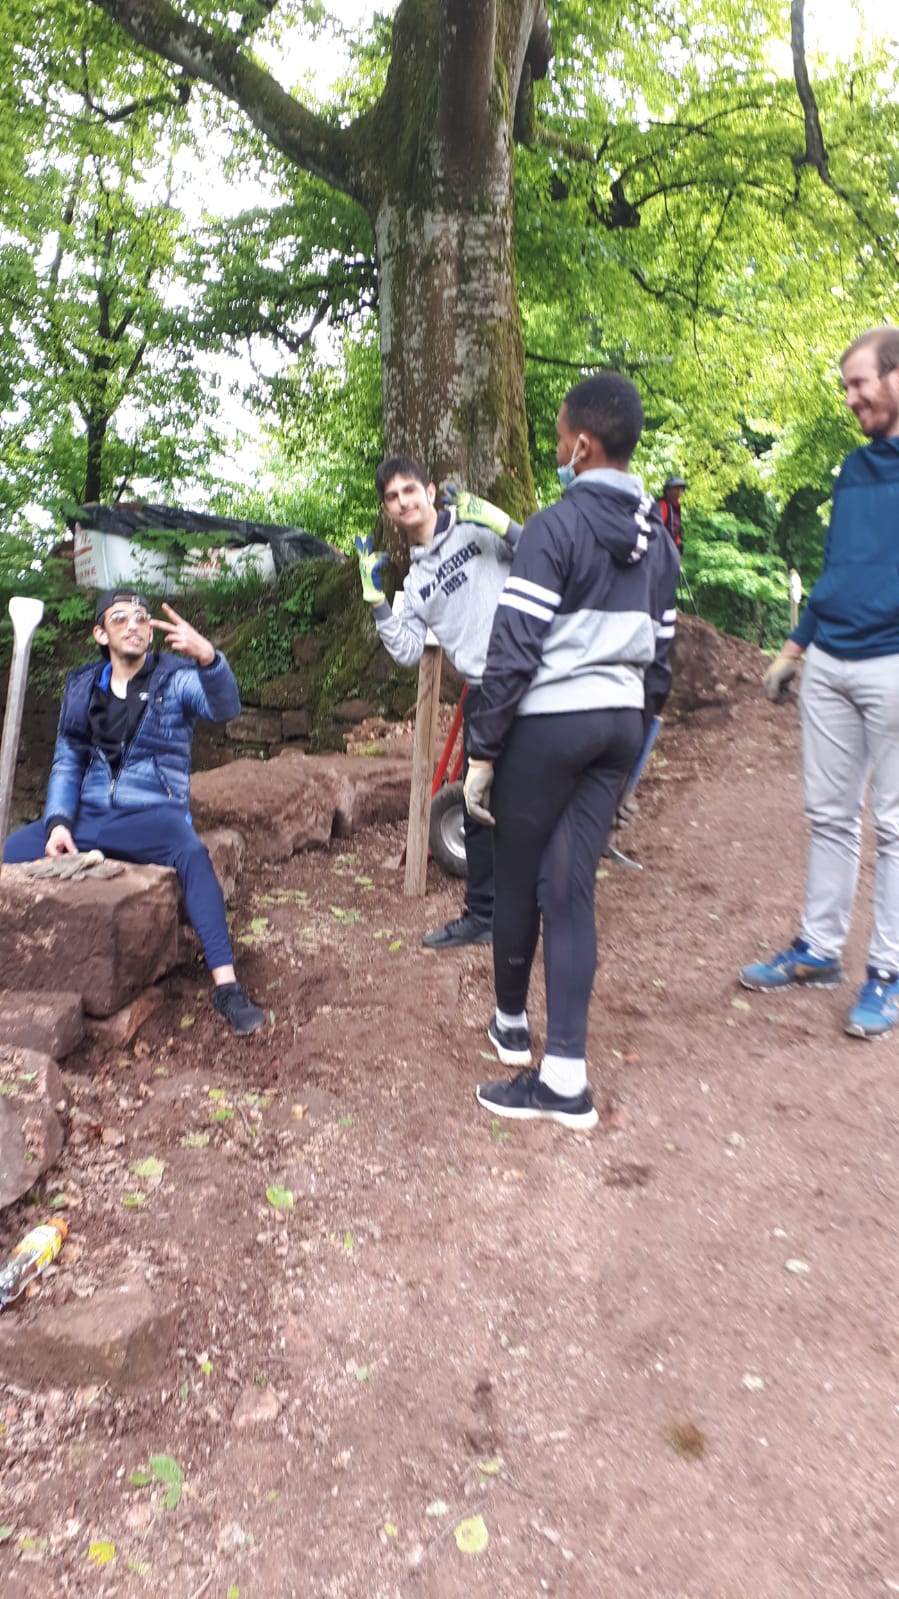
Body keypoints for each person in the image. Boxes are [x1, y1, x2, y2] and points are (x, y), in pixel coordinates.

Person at [462, 373, 679, 1129]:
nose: (556, 452)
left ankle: (510, 1027)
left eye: (559, 440)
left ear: (582, 446)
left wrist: (482, 751)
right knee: (570, 888)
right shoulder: (660, 544)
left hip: (549, 727)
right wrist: (633, 742)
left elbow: (514, 648)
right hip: (617, 727)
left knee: (518, 878)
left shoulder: (551, 529)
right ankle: (565, 1079)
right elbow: (662, 662)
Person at [3, 589, 265, 1036]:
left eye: (142, 618)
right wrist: (59, 822)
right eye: (120, 617)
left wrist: (208, 658)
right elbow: (67, 762)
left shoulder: (176, 678)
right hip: (89, 816)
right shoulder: (82, 686)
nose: (134, 625)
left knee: (192, 855)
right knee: (11, 850)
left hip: (153, 815)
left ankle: (227, 986)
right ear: (101, 634)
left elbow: (225, 708)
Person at [739, 325, 899, 1039]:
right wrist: (793, 647)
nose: (850, 398)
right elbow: (836, 569)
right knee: (829, 815)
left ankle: (887, 973)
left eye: (859, 383)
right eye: (846, 387)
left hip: (892, 661)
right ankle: (818, 949)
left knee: (895, 827)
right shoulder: (853, 469)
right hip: (830, 663)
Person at [356, 456, 523, 949]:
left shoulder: (475, 530)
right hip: (486, 692)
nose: (403, 501)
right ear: (387, 510)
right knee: (477, 805)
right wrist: (377, 601)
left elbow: (543, 555)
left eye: (409, 490)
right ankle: (484, 915)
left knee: (539, 797)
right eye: (392, 497)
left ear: (429, 491)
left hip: (533, 677)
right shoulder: (414, 583)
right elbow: (408, 651)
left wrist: (500, 521)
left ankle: (550, 906)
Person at [657, 475, 686, 553]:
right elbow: (658, 529)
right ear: (668, 490)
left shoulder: (675, 506)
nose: (679, 492)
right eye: (676, 489)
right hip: (662, 548)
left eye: (681, 489)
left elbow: (675, 528)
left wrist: (678, 543)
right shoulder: (663, 505)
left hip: (671, 547)